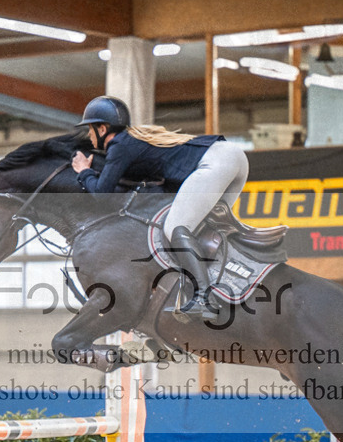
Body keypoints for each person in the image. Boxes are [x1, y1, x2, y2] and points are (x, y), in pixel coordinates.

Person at [71, 95, 249, 322]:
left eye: (90, 129)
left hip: (217, 162)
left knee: (176, 228)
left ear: (103, 128)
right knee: (202, 228)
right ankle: (228, 282)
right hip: (234, 158)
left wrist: (84, 171)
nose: (88, 135)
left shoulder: (119, 145)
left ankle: (204, 297)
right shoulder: (132, 141)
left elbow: (101, 194)